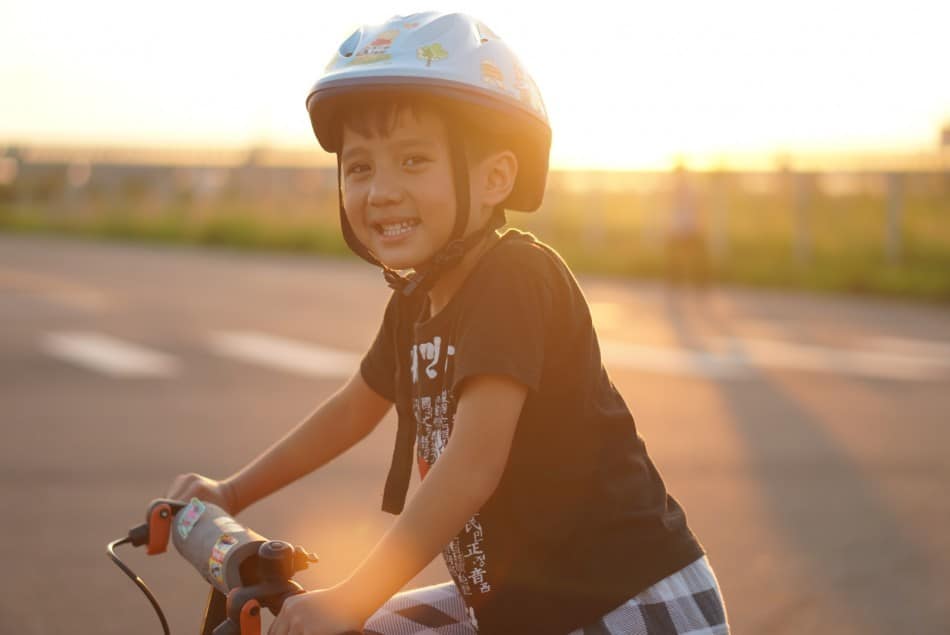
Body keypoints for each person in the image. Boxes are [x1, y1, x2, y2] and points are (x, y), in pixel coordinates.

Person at [167, 12, 729, 635]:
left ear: (494, 178)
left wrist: (352, 594)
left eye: (412, 161)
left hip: (628, 605)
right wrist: (232, 492)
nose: (380, 191)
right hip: (521, 605)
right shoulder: (414, 304)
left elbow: (472, 465)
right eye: (359, 167)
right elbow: (352, 410)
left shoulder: (514, 277)